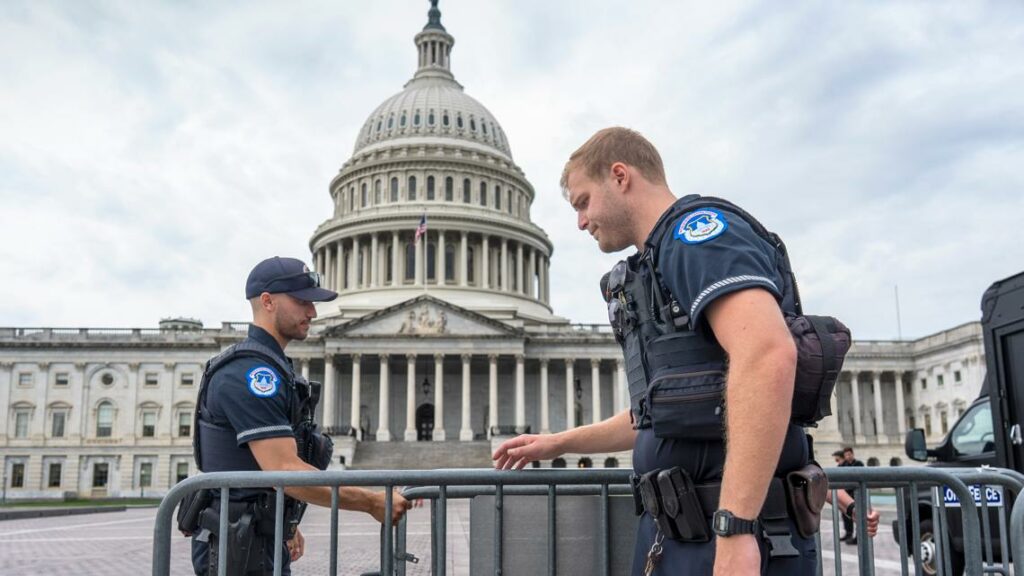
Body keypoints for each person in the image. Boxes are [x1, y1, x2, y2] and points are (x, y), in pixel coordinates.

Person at [494, 127, 823, 575]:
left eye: (583, 201)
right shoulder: (656, 266)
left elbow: (767, 355)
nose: (580, 221)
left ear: (620, 176)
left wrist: (737, 527)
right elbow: (664, 414)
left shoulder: (697, 236)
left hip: (731, 529)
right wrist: (559, 443)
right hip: (682, 530)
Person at [189, 256, 414, 575]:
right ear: (267, 302)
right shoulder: (252, 374)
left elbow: (262, 472)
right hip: (238, 544)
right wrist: (370, 501)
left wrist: (285, 522)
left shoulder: (270, 366)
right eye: (301, 301)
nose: (313, 312)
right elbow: (284, 469)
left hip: (255, 535)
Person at [838, 447, 866, 544]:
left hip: (856, 494)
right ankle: (848, 534)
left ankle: (859, 537)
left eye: (850, 454)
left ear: (853, 454)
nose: (848, 456)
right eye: (846, 455)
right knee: (846, 515)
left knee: (858, 515)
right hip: (846, 494)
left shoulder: (859, 464)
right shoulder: (842, 465)